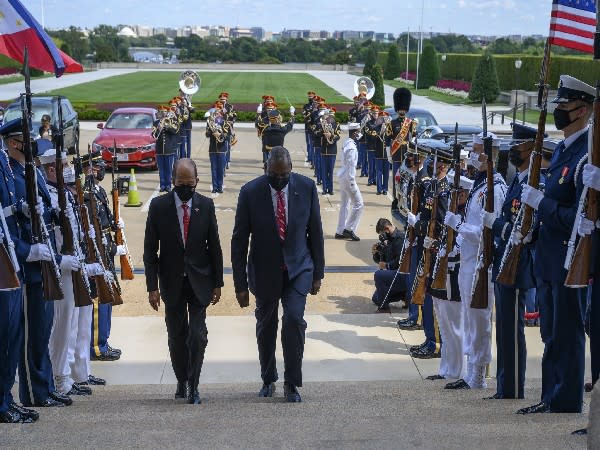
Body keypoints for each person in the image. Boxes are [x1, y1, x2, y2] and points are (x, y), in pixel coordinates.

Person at [516, 75, 594, 414]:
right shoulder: (563, 148)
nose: (560, 112)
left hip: (567, 256)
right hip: (547, 255)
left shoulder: (587, 154)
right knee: (549, 333)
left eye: (565, 106)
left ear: (583, 110)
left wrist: (541, 204)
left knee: (567, 332)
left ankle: (567, 399)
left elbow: (576, 218)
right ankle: (550, 395)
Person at [231, 146, 324, 403]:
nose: (279, 180)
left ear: (291, 170)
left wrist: (319, 273)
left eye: (284, 175)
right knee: (266, 326)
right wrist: (239, 284)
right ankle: (268, 377)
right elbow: (239, 241)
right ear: (266, 169)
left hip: (298, 268)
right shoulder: (250, 192)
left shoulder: (306, 188)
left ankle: (292, 382)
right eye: (275, 174)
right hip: (264, 270)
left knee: (294, 320)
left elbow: (315, 232)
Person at [3, 119, 73, 408]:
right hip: (30, 264)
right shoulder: (11, 176)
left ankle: (43, 387)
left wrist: (58, 214)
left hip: (43, 261)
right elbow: (13, 222)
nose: (30, 144)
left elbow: (42, 213)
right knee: (31, 335)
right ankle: (34, 393)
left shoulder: (31, 173)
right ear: (12, 143)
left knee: (42, 330)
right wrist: (27, 251)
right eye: (24, 139)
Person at [143, 158, 224, 405]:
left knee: (198, 335)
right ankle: (182, 379)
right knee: (177, 336)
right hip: (171, 282)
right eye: (181, 184)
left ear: (197, 182)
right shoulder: (159, 207)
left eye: (190, 184)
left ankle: (194, 384)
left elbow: (215, 248)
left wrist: (218, 282)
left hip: (200, 282)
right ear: (173, 182)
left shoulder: (206, 206)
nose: (185, 189)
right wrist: (152, 287)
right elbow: (150, 252)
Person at [444, 132, 507, 390]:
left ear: (486, 156)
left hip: (482, 264)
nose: (471, 155)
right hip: (469, 261)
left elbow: (485, 232)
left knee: (479, 320)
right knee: (470, 318)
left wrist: (457, 225)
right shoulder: (480, 185)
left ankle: (478, 375)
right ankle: (471, 373)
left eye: (475, 150)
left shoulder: (495, 189)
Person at [483, 123, 538, 400]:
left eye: (518, 146)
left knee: (512, 331)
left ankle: (513, 387)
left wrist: (497, 226)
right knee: (503, 329)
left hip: (517, 266)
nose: (513, 151)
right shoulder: (518, 178)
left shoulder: (532, 182)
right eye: (512, 146)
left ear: (530, 148)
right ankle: (504, 385)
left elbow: (523, 228)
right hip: (505, 261)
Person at [40, 149, 97, 397]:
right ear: (51, 169)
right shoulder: (49, 198)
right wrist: (61, 260)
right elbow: (46, 235)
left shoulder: (64, 194)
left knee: (72, 324)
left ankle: (68, 375)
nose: (69, 169)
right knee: (61, 325)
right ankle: (59, 378)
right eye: (63, 165)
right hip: (60, 269)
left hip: (75, 264)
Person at [0, 124, 40, 422]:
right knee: (4, 339)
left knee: (12, 338)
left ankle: (6, 399)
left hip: (11, 261)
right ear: (14, 142)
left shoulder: (4, 162)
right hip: (6, 262)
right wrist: (26, 251)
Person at [84, 152, 123, 361]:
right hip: (100, 253)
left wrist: (117, 228)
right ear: (89, 170)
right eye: (98, 166)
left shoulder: (99, 191)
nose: (102, 169)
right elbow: (94, 232)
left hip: (106, 251)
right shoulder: (88, 194)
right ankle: (97, 347)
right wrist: (111, 249)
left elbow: (106, 223)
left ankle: (104, 342)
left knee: (108, 297)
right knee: (99, 298)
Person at [389, 88, 417, 212]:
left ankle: (405, 199)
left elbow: (414, 138)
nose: (402, 111)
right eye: (400, 109)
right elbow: (388, 139)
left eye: (403, 109)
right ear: (397, 109)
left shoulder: (410, 123)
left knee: (406, 178)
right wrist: (388, 153)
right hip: (396, 155)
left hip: (406, 154)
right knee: (396, 178)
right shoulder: (392, 123)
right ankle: (396, 198)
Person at [335, 123, 363, 241]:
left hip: (343, 176)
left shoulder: (347, 142)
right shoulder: (351, 147)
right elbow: (351, 166)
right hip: (348, 178)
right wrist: (352, 182)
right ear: (354, 132)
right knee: (359, 204)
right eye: (358, 131)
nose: (360, 133)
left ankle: (340, 231)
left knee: (345, 204)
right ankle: (349, 229)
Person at [371, 218, 407, 309]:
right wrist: (376, 253)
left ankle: (403, 294)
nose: (382, 236)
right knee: (375, 298)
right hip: (393, 276)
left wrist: (387, 265)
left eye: (382, 233)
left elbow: (400, 261)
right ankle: (401, 295)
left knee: (378, 275)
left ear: (387, 228)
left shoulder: (400, 238)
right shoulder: (389, 240)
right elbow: (380, 261)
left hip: (401, 275)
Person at [153, 105, 180, 193]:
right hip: (160, 150)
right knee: (161, 170)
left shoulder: (172, 121)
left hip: (169, 149)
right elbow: (153, 135)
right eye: (162, 111)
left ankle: (168, 185)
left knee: (169, 169)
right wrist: (159, 128)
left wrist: (168, 126)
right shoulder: (156, 123)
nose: (163, 113)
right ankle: (162, 185)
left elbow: (176, 131)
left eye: (165, 111)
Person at [260, 108, 295, 174]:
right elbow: (290, 124)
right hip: (279, 154)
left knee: (268, 168)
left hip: (269, 153)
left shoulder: (266, 129)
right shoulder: (282, 130)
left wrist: (259, 113)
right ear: (277, 119)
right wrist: (292, 114)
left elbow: (259, 123)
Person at [205, 103, 229, 193]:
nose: (217, 114)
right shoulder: (210, 122)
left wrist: (220, 134)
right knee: (214, 169)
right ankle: (215, 187)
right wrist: (212, 132)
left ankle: (220, 186)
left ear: (221, 113)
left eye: (219, 112)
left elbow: (227, 136)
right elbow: (207, 135)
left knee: (221, 169)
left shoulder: (225, 123)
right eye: (216, 112)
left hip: (222, 149)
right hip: (213, 149)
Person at [315, 108, 340, 195]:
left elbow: (338, 136)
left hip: (332, 150)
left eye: (328, 115)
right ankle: (325, 189)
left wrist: (331, 135)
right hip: (323, 150)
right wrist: (323, 132)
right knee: (324, 171)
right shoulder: (321, 124)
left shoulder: (336, 125)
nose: (327, 117)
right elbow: (316, 133)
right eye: (326, 115)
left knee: (331, 171)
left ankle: (331, 189)